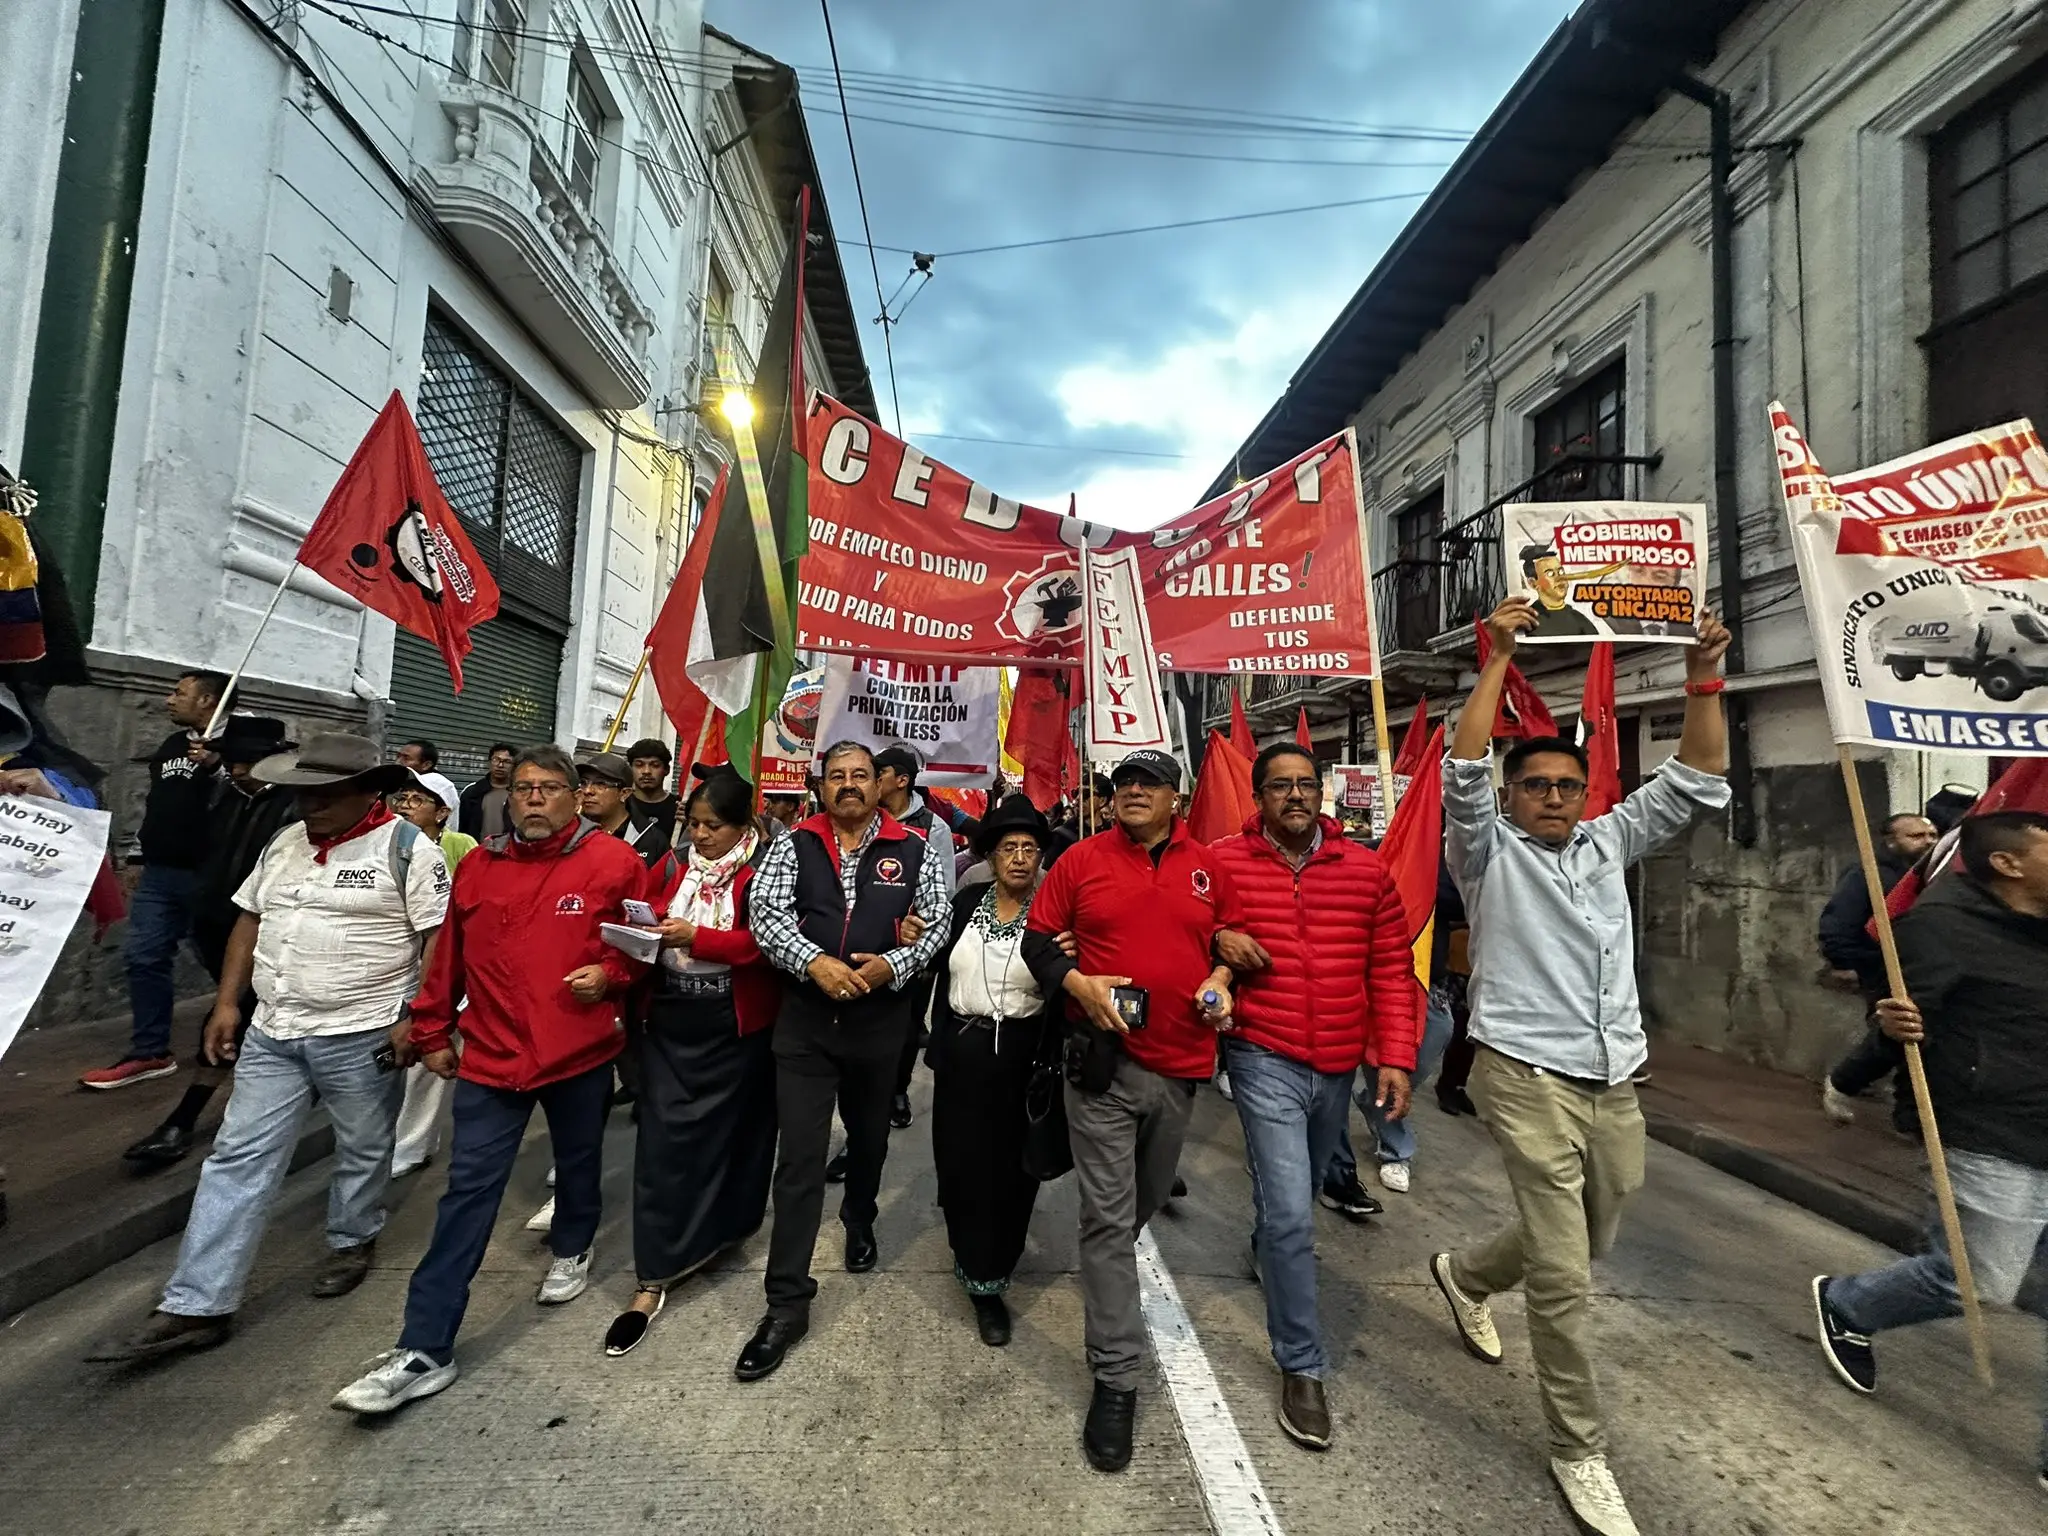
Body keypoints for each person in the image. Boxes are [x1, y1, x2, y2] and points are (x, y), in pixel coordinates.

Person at [1426, 597, 1731, 1536]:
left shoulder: (1610, 841)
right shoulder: (1486, 854)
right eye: (1538, 786)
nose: (1554, 796)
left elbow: (1697, 777)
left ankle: (1466, 1274)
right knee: (1566, 1276)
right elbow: (1464, 769)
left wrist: (1704, 674)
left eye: (1568, 783)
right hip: (1522, 1075)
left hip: (1616, 1078)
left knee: (1595, 1233)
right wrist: (1498, 656)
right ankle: (1578, 1447)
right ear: (1515, 798)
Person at [85, 735, 445, 1363]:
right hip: (274, 1032)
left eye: (328, 794)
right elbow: (250, 920)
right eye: (306, 792)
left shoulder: (410, 851)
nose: (313, 806)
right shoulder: (285, 843)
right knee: (236, 1158)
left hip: (362, 1031)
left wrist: (418, 1019)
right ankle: (197, 1304)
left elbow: (438, 939)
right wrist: (226, 1003)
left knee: (363, 1146)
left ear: (369, 793)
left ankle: (352, 1236)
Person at [330, 744, 651, 1415]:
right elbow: (448, 956)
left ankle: (573, 1244)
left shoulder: (615, 863)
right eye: (524, 788)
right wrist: (429, 1029)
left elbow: (640, 950)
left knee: (578, 1159)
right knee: (466, 1195)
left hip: (578, 1054)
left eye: (549, 788)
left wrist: (613, 978)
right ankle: (424, 1347)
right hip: (492, 1058)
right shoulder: (479, 864)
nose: (533, 797)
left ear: (576, 795)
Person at [1810, 811, 2048, 1493]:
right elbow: (1899, 1024)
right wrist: (1849, 1076)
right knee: (1976, 1281)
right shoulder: (1940, 928)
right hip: (1985, 1128)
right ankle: (1850, 1304)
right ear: (2008, 864)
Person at [1022, 748, 1241, 1473]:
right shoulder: (1080, 860)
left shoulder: (1210, 867)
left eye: (1148, 784)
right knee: (1109, 1220)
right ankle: (1116, 1376)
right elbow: (1035, 943)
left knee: (1141, 1203)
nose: (1134, 792)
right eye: (1124, 785)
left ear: (1176, 798)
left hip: (1180, 1071)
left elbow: (1226, 944)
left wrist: (1220, 978)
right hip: (1102, 1072)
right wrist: (1078, 984)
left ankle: (1108, 1275)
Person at [1206, 743, 1418, 1450]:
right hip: (1264, 1055)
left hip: (1337, 1067)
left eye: (1305, 785)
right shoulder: (1225, 861)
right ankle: (1302, 1365)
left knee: (1284, 1204)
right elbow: (1183, 919)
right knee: (1295, 1213)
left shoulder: (1366, 870)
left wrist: (1394, 1056)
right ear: (1259, 797)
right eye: (1280, 787)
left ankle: (1266, 1248)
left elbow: (1391, 968)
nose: (1295, 797)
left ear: (1320, 793)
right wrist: (1219, 932)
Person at [733, 740, 950, 1381]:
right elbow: (763, 911)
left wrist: (894, 965)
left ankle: (860, 1217)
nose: (850, 785)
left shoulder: (913, 849)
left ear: (881, 785)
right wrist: (813, 962)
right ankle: (786, 1303)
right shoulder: (793, 844)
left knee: (869, 1136)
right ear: (821, 785)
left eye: (860, 775)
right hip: (805, 1025)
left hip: (880, 1026)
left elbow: (937, 921)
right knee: (798, 1160)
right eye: (838, 777)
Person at [604, 768, 780, 1357]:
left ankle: (723, 1232)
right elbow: (644, 916)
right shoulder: (675, 865)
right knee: (663, 1143)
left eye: (714, 826)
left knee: (736, 1139)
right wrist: (643, 931)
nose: (701, 836)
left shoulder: (769, 868)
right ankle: (654, 1270)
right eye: (694, 824)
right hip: (670, 1025)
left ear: (742, 825)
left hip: (736, 1027)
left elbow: (771, 942)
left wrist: (698, 939)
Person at [123, 715, 301, 1167]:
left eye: (249, 760)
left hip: (269, 935)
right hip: (216, 925)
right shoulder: (221, 796)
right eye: (234, 759)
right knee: (242, 1019)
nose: (239, 768)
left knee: (227, 1016)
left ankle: (182, 1121)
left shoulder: (297, 808)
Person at [929, 795, 1055, 1348]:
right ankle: (967, 1252)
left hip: (1022, 1057)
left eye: (1030, 848)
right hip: (961, 1051)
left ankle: (990, 1281)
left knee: (1009, 1173)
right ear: (991, 856)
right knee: (959, 1166)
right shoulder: (966, 903)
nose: (1020, 858)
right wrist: (911, 935)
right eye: (1009, 848)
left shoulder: (1053, 915)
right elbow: (936, 961)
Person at [81, 668, 230, 1089]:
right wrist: (136, 855)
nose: (168, 699)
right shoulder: (170, 746)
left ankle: (250, 1033)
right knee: (143, 956)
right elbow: (158, 805)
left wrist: (218, 765)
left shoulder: (243, 743)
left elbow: (249, 797)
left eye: (178, 692)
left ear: (207, 701)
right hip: (161, 873)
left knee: (223, 961)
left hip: (212, 876)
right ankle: (150, 1051)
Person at [1325, 860, 1467, 1198]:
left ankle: (1373, 1102)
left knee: (1433, 1037)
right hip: (1371, 975)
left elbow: (1463, 902)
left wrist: (1426, 882)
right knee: (1382, 1063)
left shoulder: (1458, 861)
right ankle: (1394, 1150)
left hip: (1426, 980)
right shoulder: (1386, 854)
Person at [1818, 811, 1938, 1126]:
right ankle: (1845, 1082)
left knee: (1924, 1042)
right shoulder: (1867, 874)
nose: (1927, 842)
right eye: (1916, 836)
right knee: (1895, 1038)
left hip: (1926, 964)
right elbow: (1839, 919)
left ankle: (1912, 1118)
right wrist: (1843, 961)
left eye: (1931, 835)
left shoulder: (1937, 873)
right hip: (1883, 968)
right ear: (1891, 841)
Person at [387, 770, 479, 1177]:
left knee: (430, 1057)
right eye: (402, 797)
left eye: (418, 799)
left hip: (447, 960)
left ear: (442, 812)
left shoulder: (462, 847)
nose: (405, 804)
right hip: (394, 965)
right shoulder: (386, 843)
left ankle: (413, 1145)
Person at [874, 744, 956, 1130]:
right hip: (863, 942)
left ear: (902, 780)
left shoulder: (931, 826)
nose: (871, 780)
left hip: (910, 949)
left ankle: (897, 1088)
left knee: (905, 1025)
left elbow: (942, 896)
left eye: (880, 772)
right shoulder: (864, 818)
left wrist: (921, 949)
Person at [577, 750, 668, 863]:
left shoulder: (651, 840)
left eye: (600, 784)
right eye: (583, 782)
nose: (587, 791)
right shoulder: (571, 833)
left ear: (624, 793)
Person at [1519, 545, 1601, 638]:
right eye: (1550, 573)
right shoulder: (1527, 619)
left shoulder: (1579, 620)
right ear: (1533, 583)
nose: (1560, 578)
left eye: (1561, 572)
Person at [624, 737, 678, 848]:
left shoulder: (680, 808)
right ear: (630, 768)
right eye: (639, 765)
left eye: (655, 765)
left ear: (666, 769)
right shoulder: (621, 804)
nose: (646, 771)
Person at [458, 742, 515, 841]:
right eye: (496, 760)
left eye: (507, 762)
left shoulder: (519, 793)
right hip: (478, 851)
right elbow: (463, 827)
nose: (500, 765)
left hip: (510, 852)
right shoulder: (472, 792)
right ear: (489, 762)